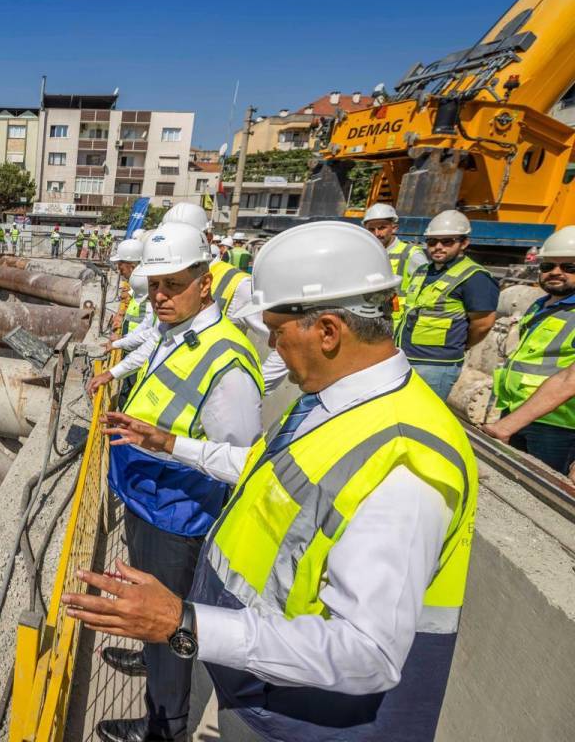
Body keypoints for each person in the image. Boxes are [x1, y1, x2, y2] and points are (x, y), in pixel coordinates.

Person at [66, 220, 478, 742]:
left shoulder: (404, 461)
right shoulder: (333, 404)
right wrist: (171, 443)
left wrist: (185, 623)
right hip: (257, 677)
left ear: (327, 329)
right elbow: (261, 467)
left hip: (300, 716)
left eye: (278, 333)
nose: (274, 352)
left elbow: (367, 654)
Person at [86, 223, 264, 742]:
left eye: (173, 284)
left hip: (178, 517)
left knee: (170, 629)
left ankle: (164, 729)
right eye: (155, 284)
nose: (159, 296)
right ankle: (151, 667)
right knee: (152, 621)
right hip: (150, 501)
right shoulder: (176, 331)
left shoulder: (228, 363)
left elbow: (242, 461)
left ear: (204, 283)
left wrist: (166, 444)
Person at [162, 202, 287, 389]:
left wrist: (252, 388)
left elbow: (285, 342)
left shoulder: (238, 285)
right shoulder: (164, 278)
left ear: (209, 238)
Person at [485, 226, 575, 473]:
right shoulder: (541, 304)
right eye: (548, 266)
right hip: (516, 411)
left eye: (569, 267)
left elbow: (570, 380)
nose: (556, 273)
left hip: (557, 427)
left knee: (539, 499)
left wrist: (507, 425)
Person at [396, 209, 499, 399]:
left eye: (447, 241)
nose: (438, 247)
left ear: (464, 243)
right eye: (432, 242)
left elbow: (483, 323)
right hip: (405, 357)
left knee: (423, 419)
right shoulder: (423, 271)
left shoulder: (474, 277)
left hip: (436, 366)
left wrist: (461, 344)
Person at [361, 202, 427, 326]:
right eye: (371, 229)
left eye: (381, 228)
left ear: (394, 228)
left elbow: (425, 292)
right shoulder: (365, 253)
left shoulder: (410, 254)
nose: (376, 234)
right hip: (370, 319)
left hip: (398, 322)